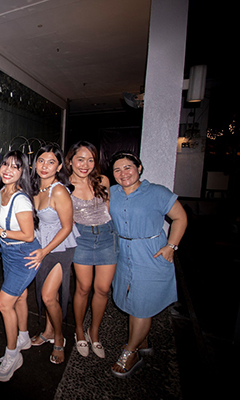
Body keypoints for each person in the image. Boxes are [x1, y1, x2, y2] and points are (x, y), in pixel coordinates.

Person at [108, 151, 187, 378]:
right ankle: (141, 340)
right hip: (123, 253)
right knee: (131, 301)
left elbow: (180, 218)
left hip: (150, 254)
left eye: (128, 167)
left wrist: (171, 246)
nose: (123, 173)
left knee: (142, 305)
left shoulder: (157, 192)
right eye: (117, 170)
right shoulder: (112, 192)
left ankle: (131, 352)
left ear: (139, 168)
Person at [0, 150, 40, 381]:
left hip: (24, 255)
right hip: (8, 253)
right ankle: (23, 337)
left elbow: (28, 235)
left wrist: (1, 231)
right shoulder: (0, 191)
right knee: (20, 296)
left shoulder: (21, 199)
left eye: (15, 167)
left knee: (4, 303)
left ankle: (12, 355)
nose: (8, 170)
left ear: (22, 171)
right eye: (5, 164)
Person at [24, 144, 79, 365]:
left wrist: (44, 251)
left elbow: (67, 227)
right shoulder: (34, 188)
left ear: (59, 167)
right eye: (41, 161)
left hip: (59, 247)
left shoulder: (59, 190)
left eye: (51, 162)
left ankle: (59, 338)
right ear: (34, 164)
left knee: (48, 296)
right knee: (48, 295)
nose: (45, 166)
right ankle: (47, 331)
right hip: (41, 246)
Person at [65, 141, 118, 359]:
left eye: (90, 160)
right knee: (83, 287)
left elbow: (109, 209)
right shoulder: (64, 185)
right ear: (70, 161)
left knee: (103, 289)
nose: (85, 165)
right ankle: (79, 330)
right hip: (82, 238)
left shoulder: (102, 180)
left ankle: (93, 331)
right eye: (80, 159)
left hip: (106, 236)